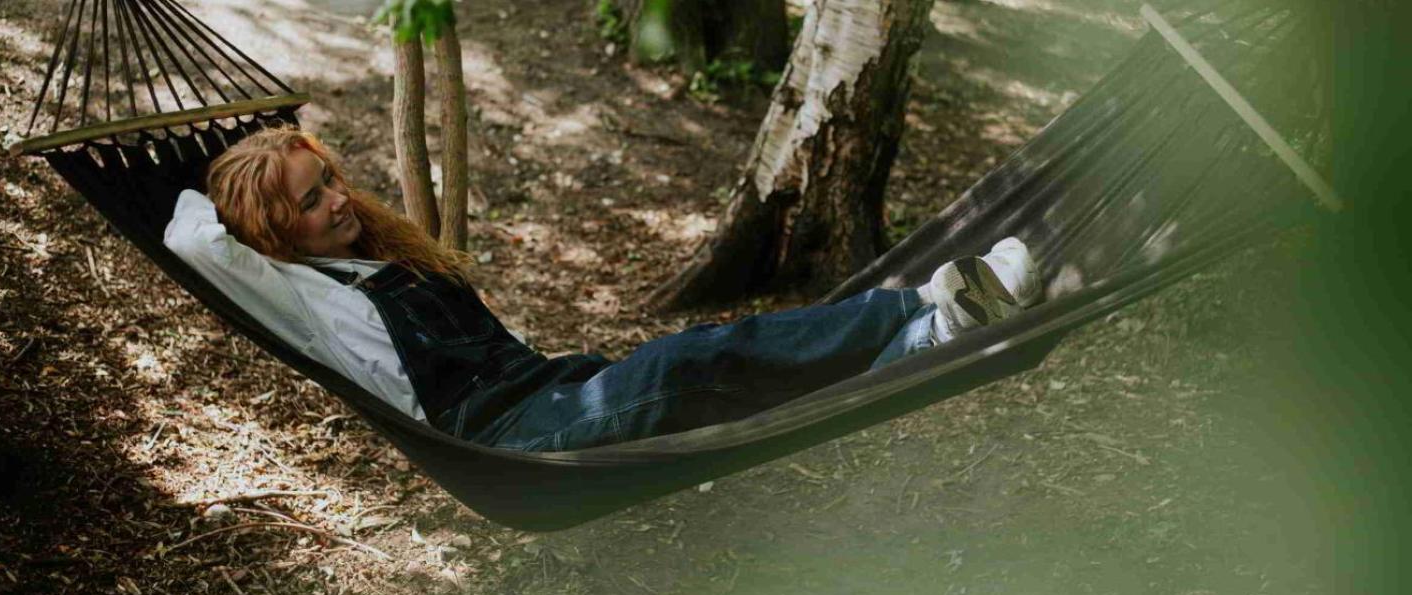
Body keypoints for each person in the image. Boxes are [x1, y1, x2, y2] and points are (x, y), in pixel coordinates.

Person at [165, 128, 1042, 452]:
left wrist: (278, 166)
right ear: (274, 236)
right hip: (505, 443)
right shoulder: (300, 294)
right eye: (311, 202)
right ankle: (923, 308)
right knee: (690, 362)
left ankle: (928, 331)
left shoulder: (365, 256)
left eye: (330, 181)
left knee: (730, 371)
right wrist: (235, 182)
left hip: (546, 392)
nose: (337, 202)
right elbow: (189, 233)